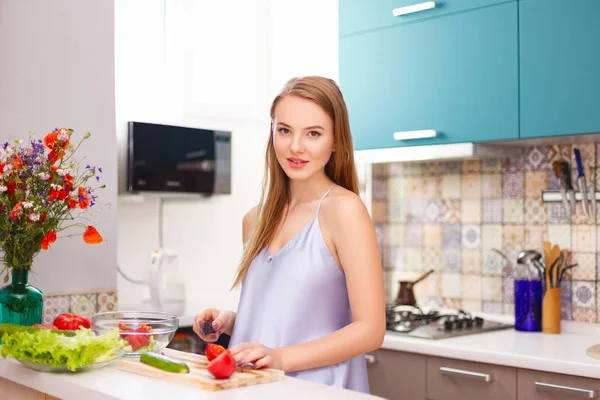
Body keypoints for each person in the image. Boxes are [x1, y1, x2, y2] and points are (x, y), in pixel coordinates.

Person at [193, 76, 386, 393]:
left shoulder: (344, 211)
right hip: (254, 388)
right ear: (272, 133)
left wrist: (280, 357)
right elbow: (293, 312)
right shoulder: (255, 220)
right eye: (285, 130)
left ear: (336, 140)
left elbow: (370, 330)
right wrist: (233, 322)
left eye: (313, 133)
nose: (296, 146)